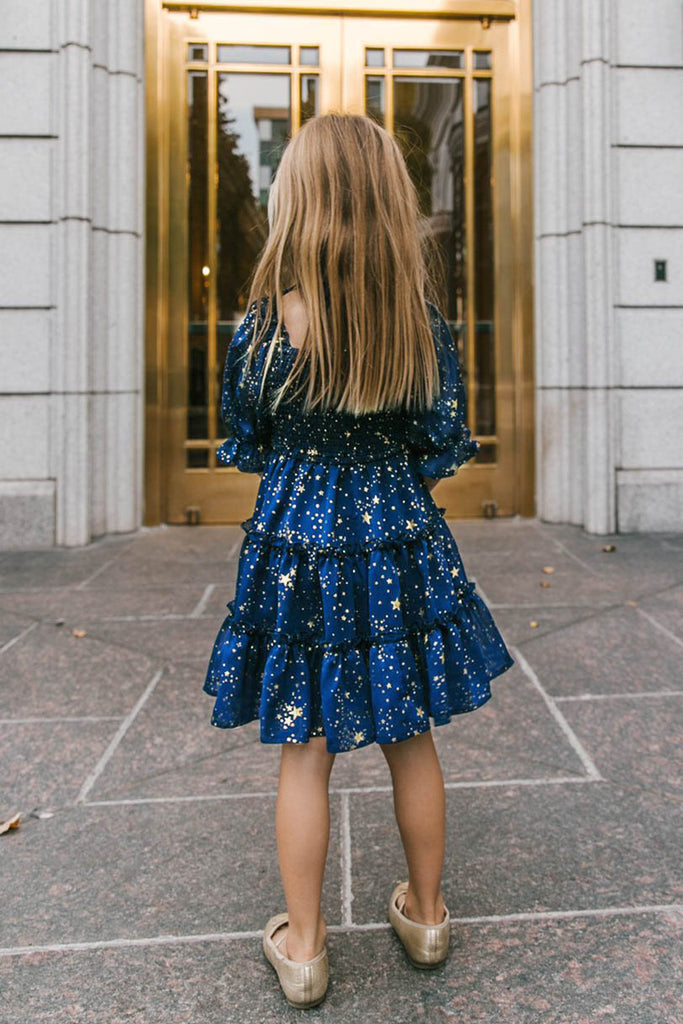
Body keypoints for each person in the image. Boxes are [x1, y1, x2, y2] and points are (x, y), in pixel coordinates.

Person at [202, 112, 514, 1009]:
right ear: (388, 202)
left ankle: (302, 949)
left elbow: (250, 439)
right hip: (397, 535)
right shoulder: (414, 319)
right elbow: (438, 438)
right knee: (410, 732)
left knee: (304, 746)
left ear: (294, 199)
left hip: (298, 538)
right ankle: (424, 914)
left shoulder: (265, 326)